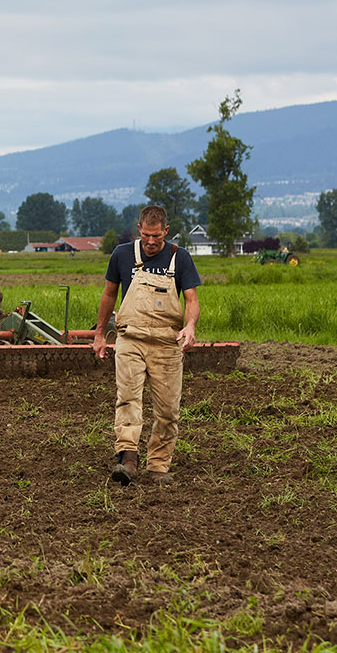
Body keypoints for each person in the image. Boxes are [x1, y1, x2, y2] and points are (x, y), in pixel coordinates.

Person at [92, 204, 200, 486]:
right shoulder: (122, 255)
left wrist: (190, 327)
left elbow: (191, 299)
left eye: (157, 236)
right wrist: (100, 333)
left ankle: (159, 466)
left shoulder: (180, 258)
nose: (151, 242)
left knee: (167, 409)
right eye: (147, 235)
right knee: (128, 399)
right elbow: (109, 294)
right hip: (131, 339)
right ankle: (127, 460)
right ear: (139, 228)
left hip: (167, 344)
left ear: (166, 231)